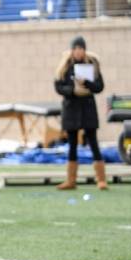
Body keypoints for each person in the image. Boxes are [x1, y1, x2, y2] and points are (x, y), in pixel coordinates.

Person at [54, 36, 107, 191]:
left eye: (81, 48)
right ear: (72, 50)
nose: (78, 51)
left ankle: (101, 180)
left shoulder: (92, 65)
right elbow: (58, 86)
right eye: (76, 48)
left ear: (84, 50)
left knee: (93, 142)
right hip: (71, 109)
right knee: (72, 145)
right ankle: (71, 180)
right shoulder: (64, 67)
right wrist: (72, 90)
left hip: (88, 109)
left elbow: (100, 86)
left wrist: (87, 83)